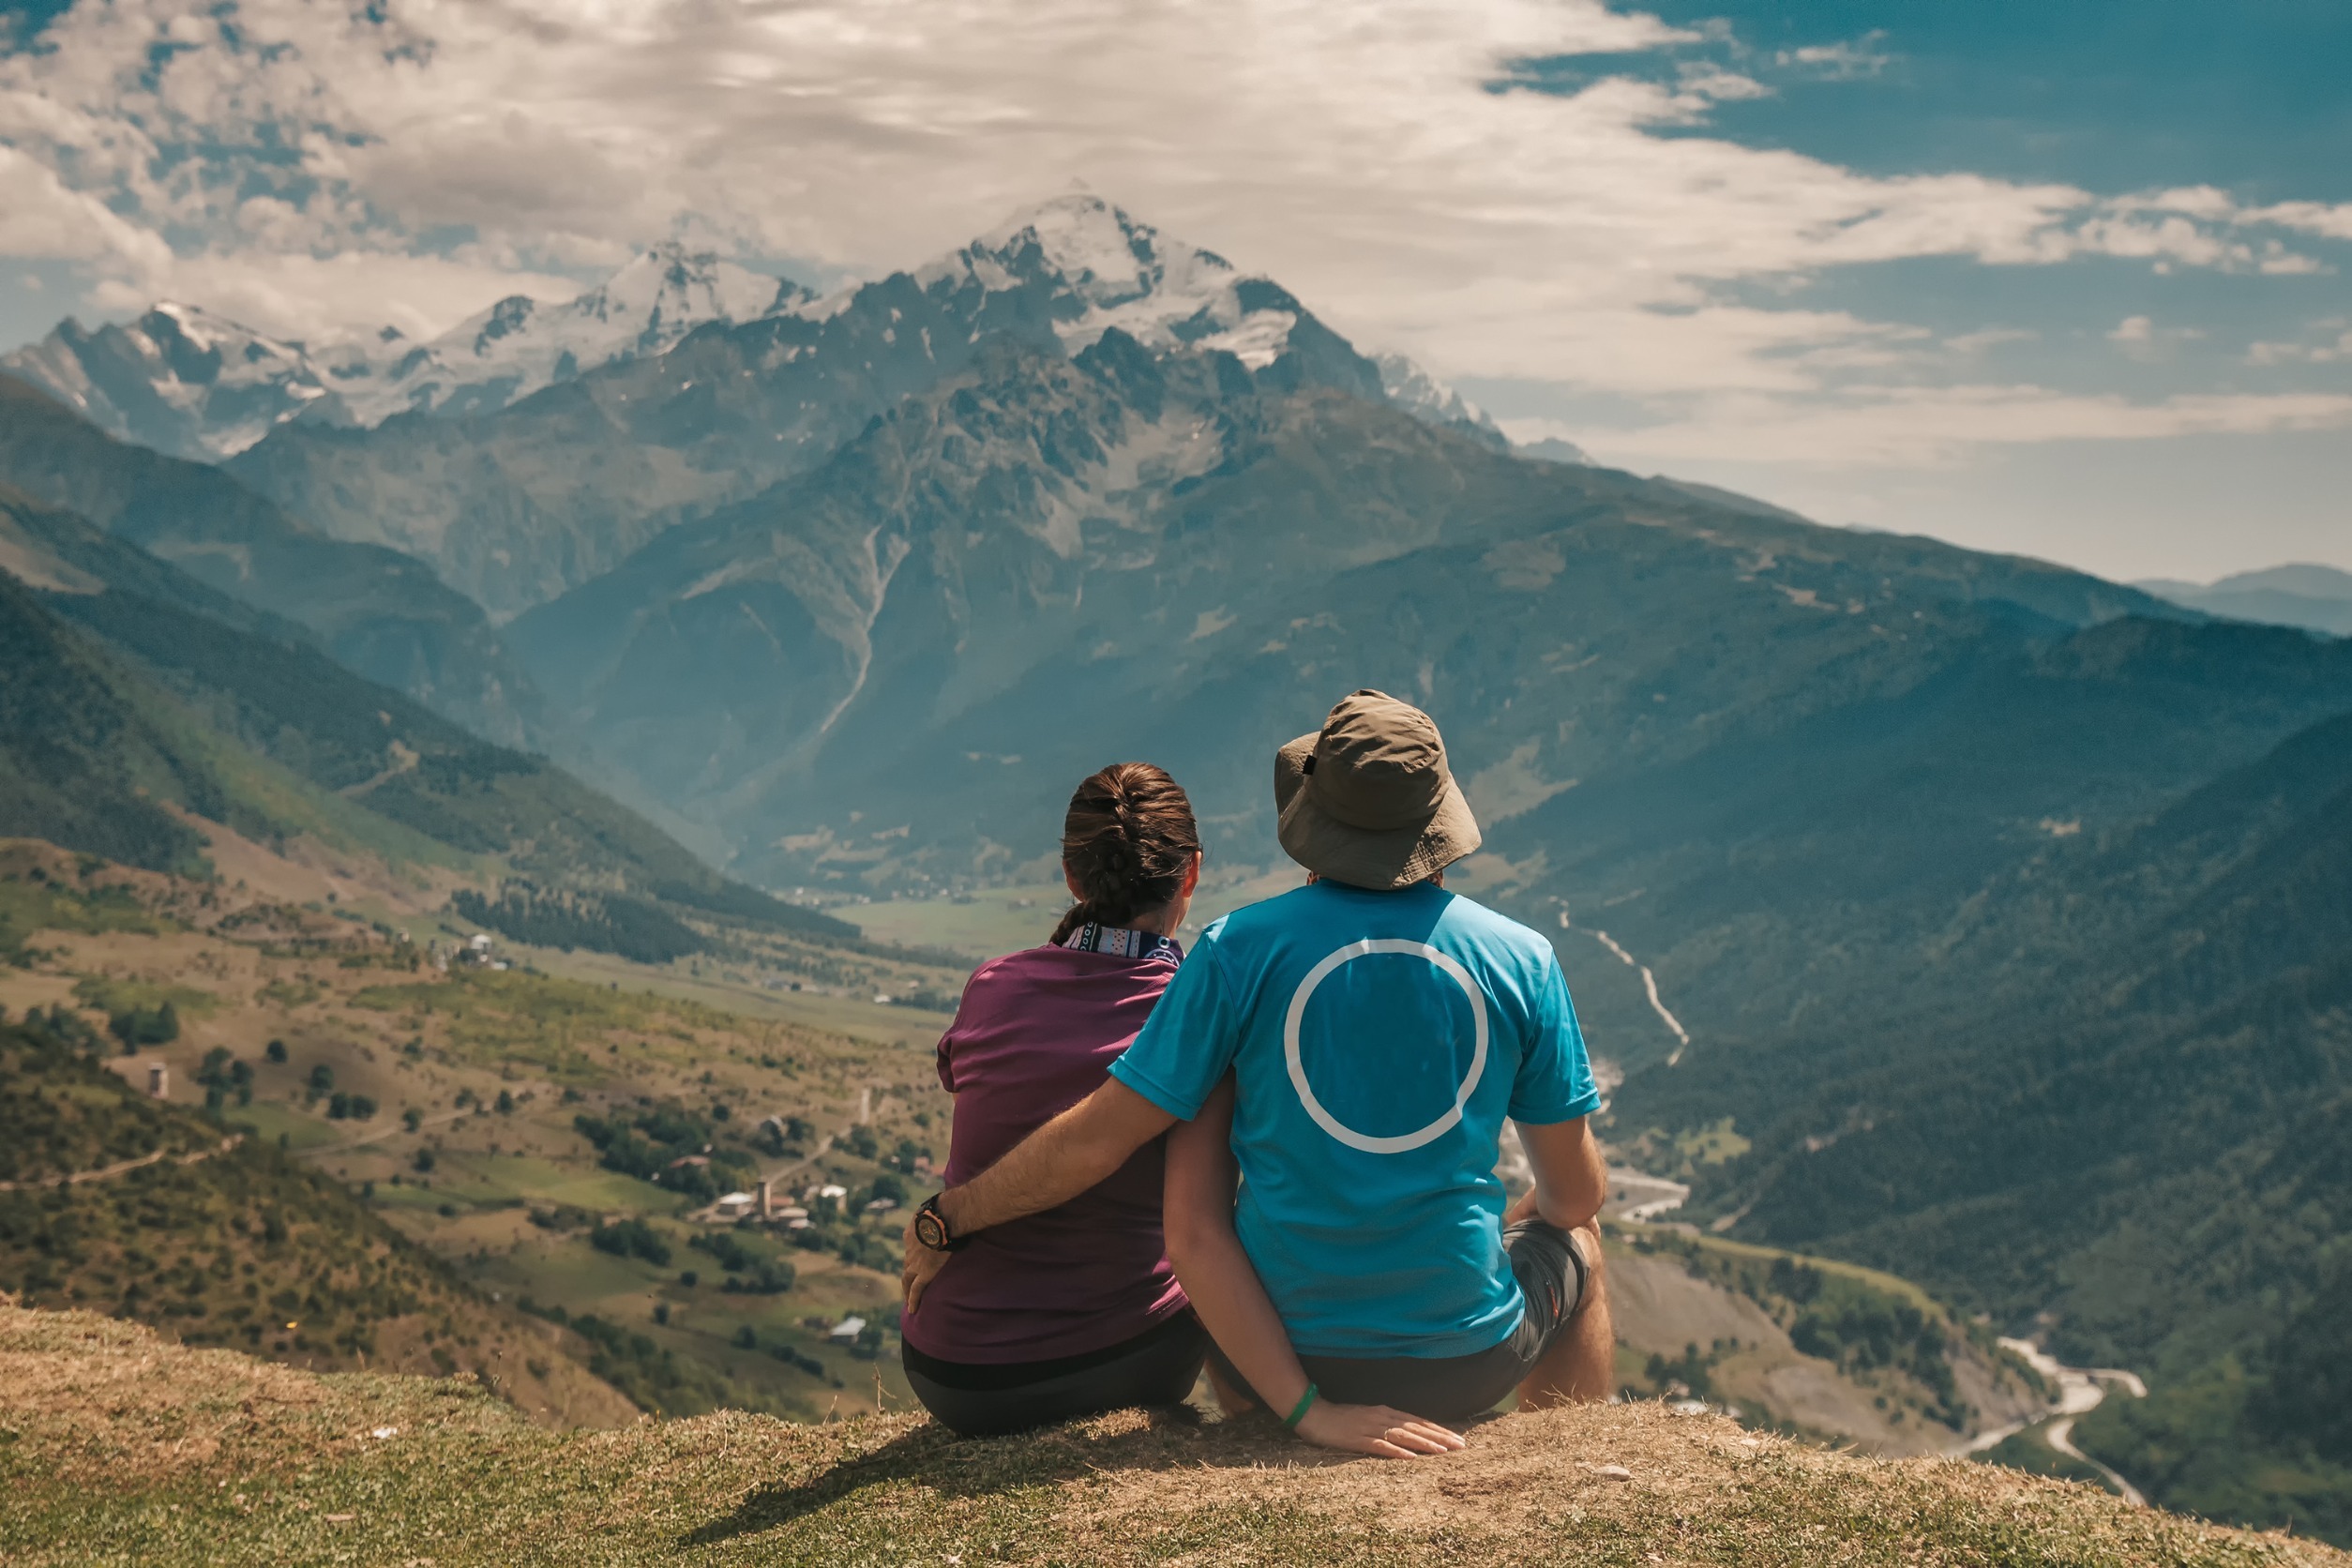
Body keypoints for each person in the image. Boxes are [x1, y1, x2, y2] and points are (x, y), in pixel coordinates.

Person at [905, 690, 1612, 1458]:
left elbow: (1171, 1206)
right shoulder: (1524, 960)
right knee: (1583, 1239)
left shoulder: (1235, 951)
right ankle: (1564, 1460)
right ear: (1438, 822)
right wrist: (1516, 1216)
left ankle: (1275, 1415)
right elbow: (1574, 1198)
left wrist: (949, 1216)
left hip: (1277, 1359)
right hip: (1465, 1361)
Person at [897, 761, 1212, 1436]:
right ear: (1190, 873)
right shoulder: (1191, 1013)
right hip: (1117, 1359)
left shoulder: (992, 985)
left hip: (946, 1369)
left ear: (1072, 876)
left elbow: (969, 1083)